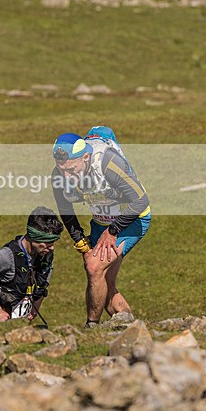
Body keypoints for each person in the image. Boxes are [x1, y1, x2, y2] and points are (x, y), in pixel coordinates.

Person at [51, 127, 151, 328]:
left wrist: (112, 231)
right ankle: (129, 325)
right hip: (100, 221)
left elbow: (140, 201)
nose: (67, 175)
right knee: (102, 280)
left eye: (72, 169)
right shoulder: (59, 175)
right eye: (62, 169)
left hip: (131, 220)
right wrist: (80, 240)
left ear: (86, 158)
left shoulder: (108, 163)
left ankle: (91, 327)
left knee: (94, 267)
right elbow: (65, 209)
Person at [0, 206, 63, 323]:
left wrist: (35, 305)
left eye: (54, 242)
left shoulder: (46, 254)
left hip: (23, 323)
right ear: (34, 237)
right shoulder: (6, 257)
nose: (52, 247)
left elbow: (44, 280)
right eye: (47, 242)